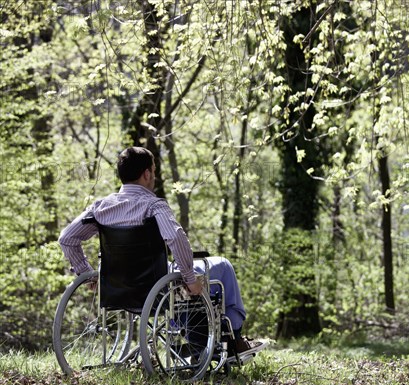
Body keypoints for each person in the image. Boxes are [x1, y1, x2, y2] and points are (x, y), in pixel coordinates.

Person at [59, 146, 264, 359]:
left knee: (188, 280)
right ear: (147, 173)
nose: (154, 177)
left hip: (116, 287)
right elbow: (175, 237)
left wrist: (88, 274)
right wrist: (190, 277)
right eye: (154, 171)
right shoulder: (154, 205)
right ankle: (235, 340)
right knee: (222, 265)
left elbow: (67, 238)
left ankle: (202, 343)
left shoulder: (101, 207)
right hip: (157, 287)